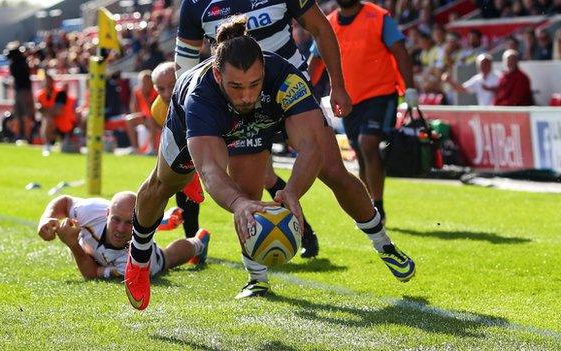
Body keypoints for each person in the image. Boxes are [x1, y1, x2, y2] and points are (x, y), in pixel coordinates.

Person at [125, 16, 415, 311]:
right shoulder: (200, 95)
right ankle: (138, 257)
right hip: (198, 122)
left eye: (254, 84)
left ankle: (383, 242)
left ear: (264, 69)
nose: (247, 95)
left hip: (263, 118)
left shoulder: (285, 77)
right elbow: (210, 168)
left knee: (322, 171)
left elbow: (311, 146)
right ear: (217, 74)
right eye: (236, 86)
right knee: (163, 185)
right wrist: (236, 204)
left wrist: (292, 191)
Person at [174, 0, 354, 258]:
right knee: (246, 182)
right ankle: (255, 267)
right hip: (237, 104)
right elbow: (185, 65)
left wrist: (337, 85)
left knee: (331, 170)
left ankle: (377, 239)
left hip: (288, 94)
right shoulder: (194, 4)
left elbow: (320, 27)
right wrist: (188, 111)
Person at [308, 0, 418, 223]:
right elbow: (315, 62)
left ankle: (379, 205)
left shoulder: (379, 17)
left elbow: (401, 52)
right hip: (349, 99)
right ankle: (369, 208)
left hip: (380, 93)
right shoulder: (327, 24)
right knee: (360, 151)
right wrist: (304, 88)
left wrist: (410, 88)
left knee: (368, 143)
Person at [36, 192, 209, 280]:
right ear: (107, 212)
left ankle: (198, 242)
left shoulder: (137, 260)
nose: (120, 228)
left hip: (139, 249)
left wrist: (73, 245)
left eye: (129, 222)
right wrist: (47, 218)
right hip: (96, 247)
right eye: (116, 219)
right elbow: (65, 201)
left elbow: (92, 273)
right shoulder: (90, 210)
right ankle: (159, 221)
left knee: (167, 257)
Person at [150, 61, 205, 240]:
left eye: (172, 86)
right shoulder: (157, 109)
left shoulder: (197, 96)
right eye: (160, 88)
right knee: (181, 186)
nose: (167, 93)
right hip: (189, 146)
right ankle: (192, 242)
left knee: (263, 178)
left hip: (217, 139)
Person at [36, 74, 78, 156]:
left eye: (49, 82)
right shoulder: (40, 95)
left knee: (48, 119)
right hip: (51, 125)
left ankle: (51, 144)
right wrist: (47, 111)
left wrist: (44, 110)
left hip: (64, 125)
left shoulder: (60, 94)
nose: (47, 84)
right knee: (47, 120)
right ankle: (47, 145)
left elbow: (57, 112)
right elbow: (39, 109)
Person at [5, 41, 35, 142]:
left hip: (20, 92)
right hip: (23, 92)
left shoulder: (14, 64)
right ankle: (25, 136)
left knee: (21, 116)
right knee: (23, 115)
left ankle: (20, 136)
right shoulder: (21, 62)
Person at [125, 70, 158, 154]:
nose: (143, 84)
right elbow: (133, 109)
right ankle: (135, 148)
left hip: (156, 117)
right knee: (129, 119)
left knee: (151, 119)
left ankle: (151, 148)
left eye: (145, 82)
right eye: (142, 82)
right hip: (145, 117)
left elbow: (153, 110)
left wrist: (145, 96)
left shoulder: (156, 91)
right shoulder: (137, 91)